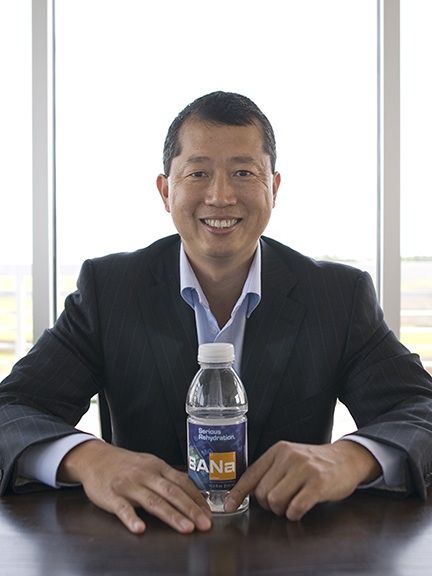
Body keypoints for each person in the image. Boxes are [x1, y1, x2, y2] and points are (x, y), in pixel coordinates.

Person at [1, 91, 432, 536]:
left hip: (290, 545)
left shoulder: (337, 296)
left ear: (274, 188)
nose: (220, 196)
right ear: (166, 191)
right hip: (145, 546)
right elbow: (12, 409)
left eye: (243, 172)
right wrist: (90, 459)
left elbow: (420, 408)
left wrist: (350, 457)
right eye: (198, 173)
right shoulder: (109, 290)